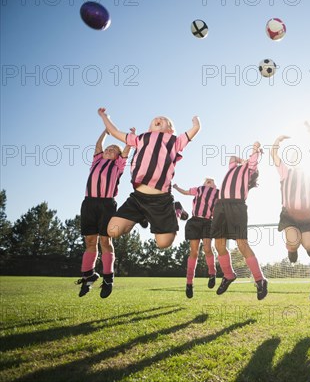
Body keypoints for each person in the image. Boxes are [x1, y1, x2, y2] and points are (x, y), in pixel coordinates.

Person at [97, 107, 201, 249]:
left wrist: (196, 124)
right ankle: (140, 216)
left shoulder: (174, 141)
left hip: (161, 200)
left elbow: (191, 133)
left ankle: (176, 210)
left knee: (163, 244)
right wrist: (104, 116)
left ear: (170, 130)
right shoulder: (140, 139)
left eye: (165, 120)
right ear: (149, 128)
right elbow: (115, 132)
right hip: (138, 198)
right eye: (156, 119)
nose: (159, 119)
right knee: (112, 231)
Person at [76, 127, 132, 298]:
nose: (109, 150)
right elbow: (99, 144)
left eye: (114, 150)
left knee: (105, 241)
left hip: (107, 205)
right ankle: (89, 275)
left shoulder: (118, 166)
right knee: (90, 241)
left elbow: (127, 149)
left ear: (117, 156)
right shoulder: (96, 161)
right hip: (89, 204)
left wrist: (129, 139)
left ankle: (108, 279)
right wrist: (105, 132)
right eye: (108, 148)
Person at [210, 142, 268, 300]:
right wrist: (241, 159)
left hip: (237, 206)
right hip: (220, 206)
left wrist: (255, 150)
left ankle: (260, 279)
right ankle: (228, 275)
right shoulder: (233, 167)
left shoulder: (249, 170)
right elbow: (232, 157)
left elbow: (254, 160)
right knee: (218, 244)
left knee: (241, 243)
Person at [271, 134, 310, 263]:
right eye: (294, 155)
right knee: (293, 242)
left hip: (306, 214)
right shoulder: (285, 172)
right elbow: (274, 155)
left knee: (309, 246)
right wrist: (276, 142)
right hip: (289, 215)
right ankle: (292, 249)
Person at [173, 178, 220, 298]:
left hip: (208, 222)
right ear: (203, 184)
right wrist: (177, 187)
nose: (209, 181)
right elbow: (185, 192)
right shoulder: (198, 189)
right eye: (207, 181)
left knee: (207, 248)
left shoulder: (218, 193)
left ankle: (212, 273)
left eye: (212, 181)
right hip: (194, 222)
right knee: (194, 252)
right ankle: (189, 283)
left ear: (215, 186)